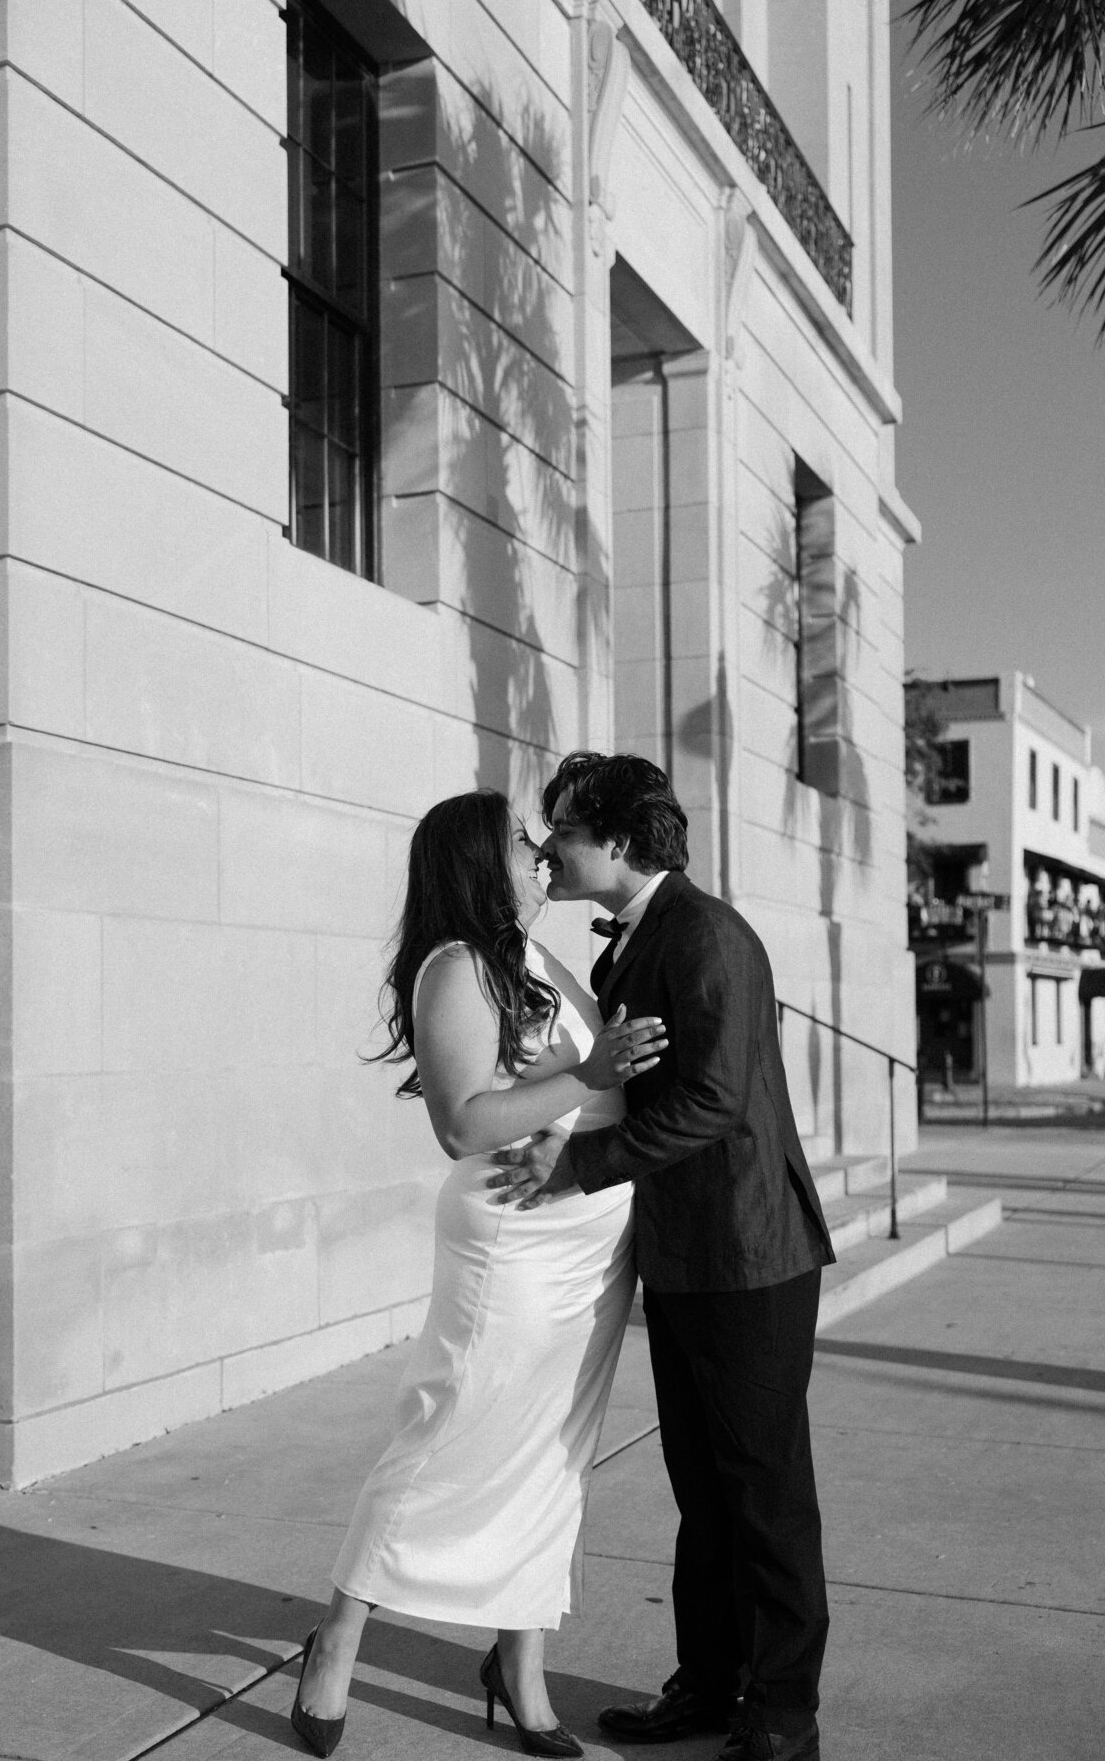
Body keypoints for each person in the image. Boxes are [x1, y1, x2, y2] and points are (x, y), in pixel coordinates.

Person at [289, 787, 667, 1758]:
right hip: (512, 1238)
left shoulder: (540, 960)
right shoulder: (454, 968)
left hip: (589, 1238)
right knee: (444, 1430)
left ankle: (520, 1667)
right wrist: (588, 1076)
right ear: (474, 862)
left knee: (553, 1457)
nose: (540, 851)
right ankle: (334, 1645)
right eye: (518, 842)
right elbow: (462, 1122)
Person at [491, 753, 836, 1761]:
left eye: (559, 828)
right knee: (703, 1489)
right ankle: (712, 1682)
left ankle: (782, 1716)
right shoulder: (630, 948)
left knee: (765, 1492)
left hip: (750, 1253)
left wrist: (577, 1166)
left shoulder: (708, 937)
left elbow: (713, 1102)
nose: (546, 846)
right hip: (683, 1255)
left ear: (617, 839)